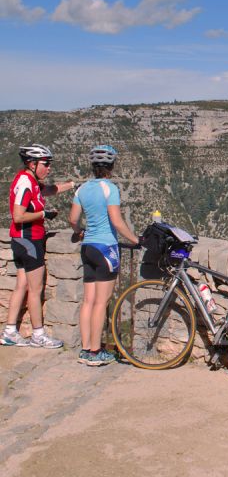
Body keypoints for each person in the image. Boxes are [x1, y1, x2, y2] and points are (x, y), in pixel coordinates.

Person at [69, 145, 140, 366]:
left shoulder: (82, 189)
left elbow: (72, 219)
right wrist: (136, 240)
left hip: (88, 247)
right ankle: (96, 350)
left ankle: (84, 349)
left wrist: (79, 231)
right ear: (111, 166)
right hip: (106, 249)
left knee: (88, 301)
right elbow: (117, 222)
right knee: (102, 302)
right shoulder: (110, 189)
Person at [2, 144, 74, 348]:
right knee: (35, 289)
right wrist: (44, 214)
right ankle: (38, 335)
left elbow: (49, 190)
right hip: (29, 240)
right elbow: (18, 215)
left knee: (22, 286)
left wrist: (72, 185)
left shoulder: (29, 180)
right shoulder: (26, 183)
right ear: (32, 164)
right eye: (46, 164)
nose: (49, 168)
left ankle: (9, 331)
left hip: (20, 239)